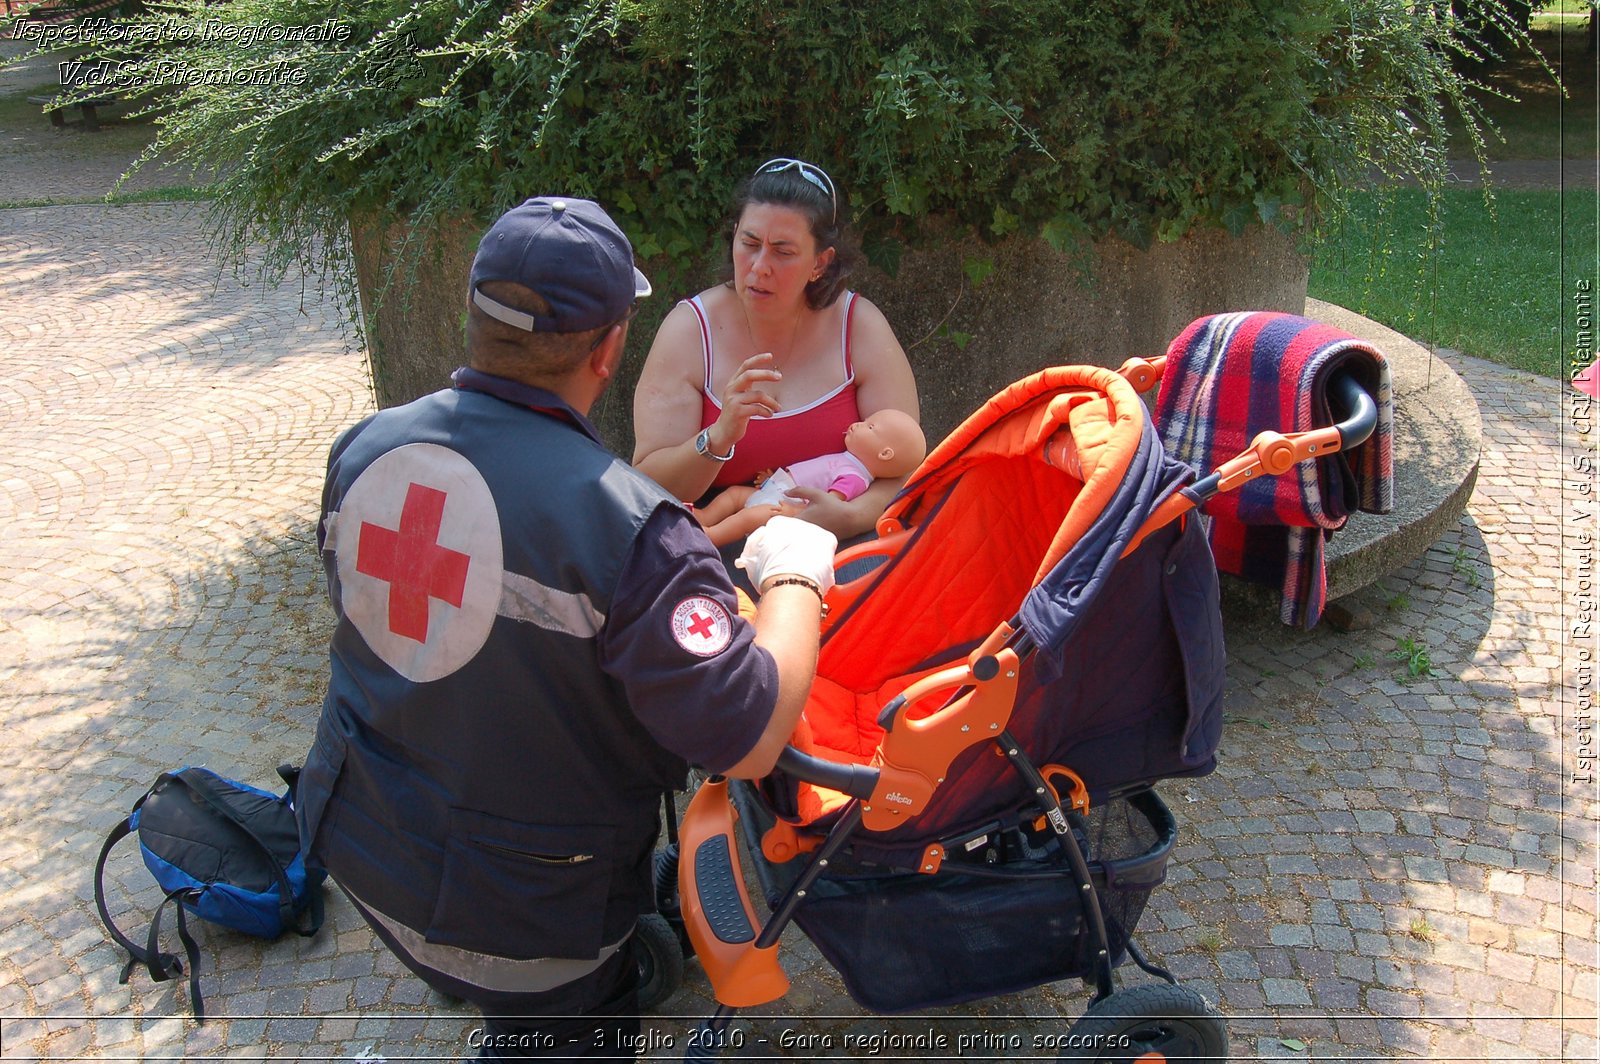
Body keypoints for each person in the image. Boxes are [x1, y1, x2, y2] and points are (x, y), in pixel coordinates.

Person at [293, 196, 839, 1059]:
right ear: (612, 345)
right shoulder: (632, 533)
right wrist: (797, 569)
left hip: (361, 839)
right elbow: (749, 738)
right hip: (534, 916)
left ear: (473, 314)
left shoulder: (364, 448)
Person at [631, 157, 920, 541]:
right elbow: (649, 485)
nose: (759, 267)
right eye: (749, 243)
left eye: (783, 252)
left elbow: (907, 465)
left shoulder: (859, 326)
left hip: (841, 535)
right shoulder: (690, 330)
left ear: (820, 262)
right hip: (717, 535)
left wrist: (850, 517)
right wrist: (718, 436)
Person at [691, 408, 926, 547]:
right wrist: (774, 478)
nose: (857, 424)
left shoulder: (855, 478)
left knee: (748, 517)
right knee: (733, 494)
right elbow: (812, 474)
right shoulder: (846, 459)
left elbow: (827, 503)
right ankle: (705, 515)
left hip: (785, 507)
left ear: (885, 453)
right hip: (778, 490)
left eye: (870, 427)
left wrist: (795, 514)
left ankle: (712, 536)